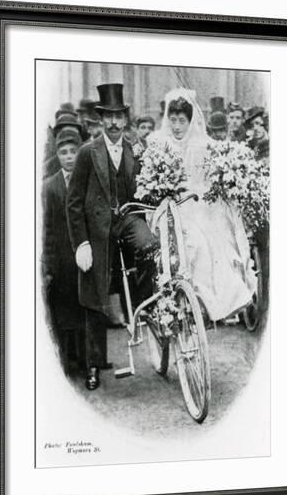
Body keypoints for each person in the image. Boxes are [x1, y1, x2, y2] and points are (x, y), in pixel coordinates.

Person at [67, 83, 157, 390]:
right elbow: (74, 203)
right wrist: (81, 242)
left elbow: (145, 191)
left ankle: (146, 304)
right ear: (101, 119)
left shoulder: (134, 150)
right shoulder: (86, 153)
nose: (115, 123)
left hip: (128, 219)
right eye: (109, 117)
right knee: (95, 296)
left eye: (120, 116)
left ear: (125, 119)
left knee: (151, 247)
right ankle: (93, 365)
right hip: (97, 231)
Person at [150, 88, 257, 322]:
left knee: (216, 242)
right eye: (173, 120)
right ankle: (189, 300)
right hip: (170, 208)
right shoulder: (158, 144)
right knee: (195, 243)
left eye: (182, 121)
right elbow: (152, 182)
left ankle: (210, 306)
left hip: (196, 205)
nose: (177, 126)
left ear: (190, 121)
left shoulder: (202, 145)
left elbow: (211, 176)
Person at [42, 129, 85, 375]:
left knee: (81, 312)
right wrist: (48, 263)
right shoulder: (49, 187)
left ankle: (84, 361)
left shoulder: (87, 180)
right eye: (63, 152)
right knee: (62, 314)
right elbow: (46, 227)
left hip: (82, 256)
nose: (68, 157)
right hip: (61, 259)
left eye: (73, 152)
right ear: (57, 155)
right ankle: (65, 363)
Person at [43, 113, 83, 178]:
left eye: (74, 132)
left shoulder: (88, 158)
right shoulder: (50, 166)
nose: (70, 136)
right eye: (65, 132)